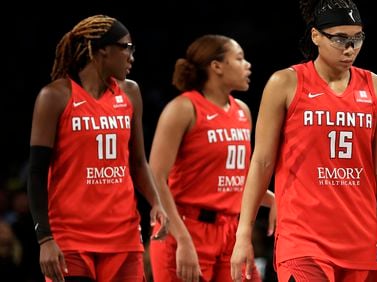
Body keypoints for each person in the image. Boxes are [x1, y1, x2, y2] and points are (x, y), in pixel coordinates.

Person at [230, 0, 377, 281]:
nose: (350, 47)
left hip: (361, 241)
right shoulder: (285, 83)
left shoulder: (376, 87)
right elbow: (262, 162)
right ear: (316, 35)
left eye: (357, 38)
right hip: (303, 240)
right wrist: (243, 233)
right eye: (340, 38)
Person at [27, 15, 169, 282]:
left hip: (123, 237)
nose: (131, 57)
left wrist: (156, 203)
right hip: (71, 239)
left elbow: (138, 163)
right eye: (127, 48)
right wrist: (44, 238)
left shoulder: (130, 93)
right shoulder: (55, 96)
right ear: (103, 49)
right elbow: (36, 172)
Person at [148, 34, 275, 282]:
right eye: (239, 58)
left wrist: (276, 200)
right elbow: (156, 178)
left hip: (230, 230)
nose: (247, 65)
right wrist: (183, 240)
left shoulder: (242, 111)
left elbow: (238, 178)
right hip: (185, 228)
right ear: (216, 66)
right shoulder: (183, 108)